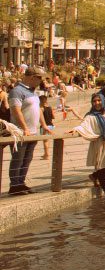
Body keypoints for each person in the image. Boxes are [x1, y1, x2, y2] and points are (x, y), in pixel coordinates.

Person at [67, 92, 105, 198]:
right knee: (102, 166)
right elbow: (84, 125)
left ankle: (94, 176)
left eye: (98, 100)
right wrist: (76, 129)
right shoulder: (91, 116)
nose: (96, 103)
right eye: (94, 101)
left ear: (103, 101)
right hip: (101, 143)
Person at [8, 65, 45, 195]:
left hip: (33, 132)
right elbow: (15, 110)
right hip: (20, 132)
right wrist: (24, 128)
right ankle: (14, 185)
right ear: (31, 77)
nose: (41, 81)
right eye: (39, 78)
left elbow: (38, 109)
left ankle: (21, 183)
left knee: (27, 159)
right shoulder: (17, 91)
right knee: (18, 158)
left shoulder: (33, 92)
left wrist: (44, 125)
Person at [39, 94, 56, 160]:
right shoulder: (50, 108)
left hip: (44, 126)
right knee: (47, 140)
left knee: (45, 141)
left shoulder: (41, 109)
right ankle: (45, 153)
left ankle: (46, 155)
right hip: (51, 125)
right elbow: (53, 117)